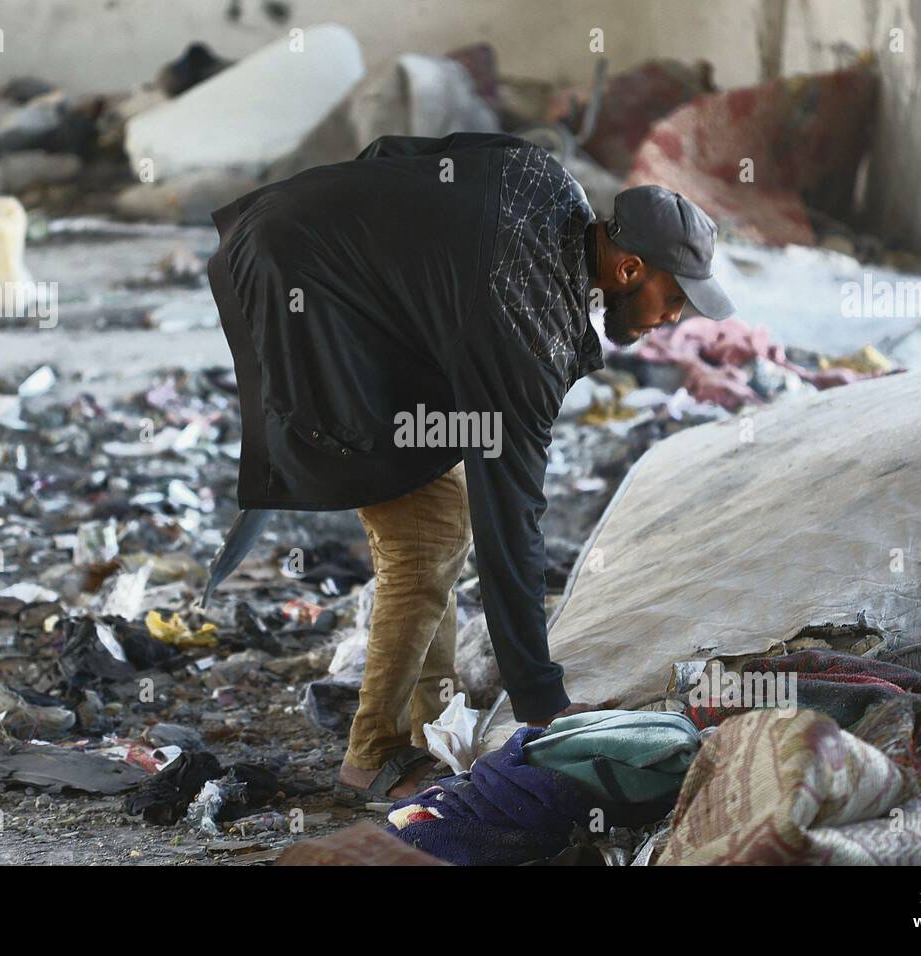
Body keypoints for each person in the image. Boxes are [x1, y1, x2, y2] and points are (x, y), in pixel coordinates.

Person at [206, 132, 735, 800]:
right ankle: (373, 757)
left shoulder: (541, 174)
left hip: (297, 236)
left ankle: (431, 725)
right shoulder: (528, 328)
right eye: (676, 298)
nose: (674, 318)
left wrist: (402, 275)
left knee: (443, 518)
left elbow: (388, 156)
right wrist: (542, 700)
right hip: (295, 286)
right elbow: (510, 512)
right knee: (426, 538)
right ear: (629, 269)